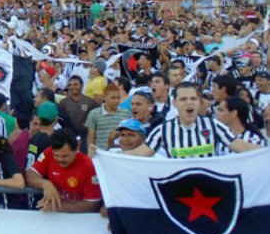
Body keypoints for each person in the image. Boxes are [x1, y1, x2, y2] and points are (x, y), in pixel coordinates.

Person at [127, 82, 262, 158]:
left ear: (198, 102)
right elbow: (140, 153)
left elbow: (242, 147)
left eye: (193, 99)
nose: (189, 103)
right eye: (183, 99)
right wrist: (113, 158)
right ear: (175, 103)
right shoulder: (163, 130)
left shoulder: (213, 125)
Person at [27, 129, 101, 213]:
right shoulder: (48, 153)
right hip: (54, 215)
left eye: (65, 156)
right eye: (56, 155)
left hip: (80, 216)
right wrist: (45, 184)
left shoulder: (89, 165)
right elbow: (30, 174)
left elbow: (92, 204)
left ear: (76, 149)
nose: (60, 159)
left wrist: (57, 206)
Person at [86, 84, 131, 150]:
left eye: (118, 98)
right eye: (113, 98)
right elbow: (91, 137)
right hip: (101, 152)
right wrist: (90, 153)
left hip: (121, 152)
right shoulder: (94, 114)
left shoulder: (126, 113)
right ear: (104, 97)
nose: (117, 101)